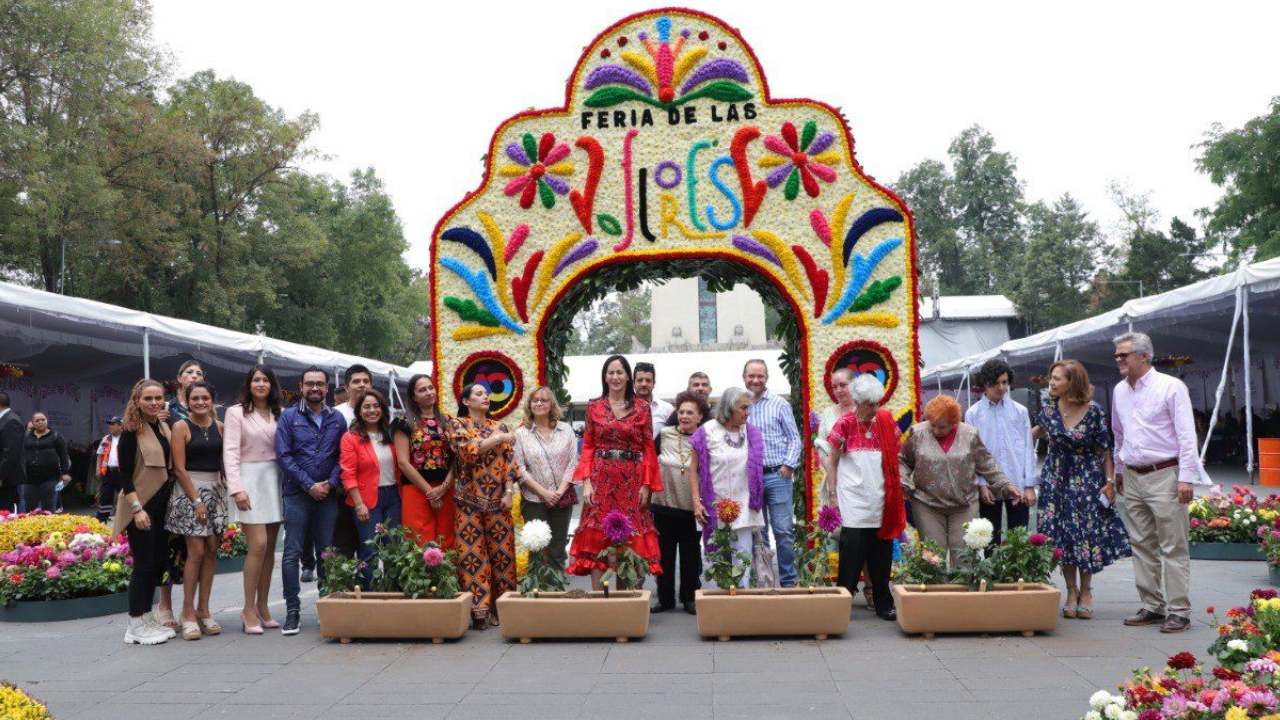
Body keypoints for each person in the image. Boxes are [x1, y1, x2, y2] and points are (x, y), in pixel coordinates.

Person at [1111, 331, 1209, 634]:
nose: (1118, 360)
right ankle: (1152, 605)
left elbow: (1186, 436)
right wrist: (1117, 471)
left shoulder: (1171, 387)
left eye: (1123, 355)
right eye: (1116, 355)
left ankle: (1179, 610)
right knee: (1141, 544)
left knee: (1172, 545)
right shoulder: (1119, 391)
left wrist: (1186, 478)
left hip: (1164, 474)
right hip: (1133, 474)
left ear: (1143, 356)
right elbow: (1119, 434)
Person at [1035, 360, 1131, 620]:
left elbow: (1105, 450)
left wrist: (1110, 483)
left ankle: (1087, 590)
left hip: (1086, 478)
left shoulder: (1094, 411)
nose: (1051, 383)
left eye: (1057, 378)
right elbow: (1028, 436)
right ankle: (1070, 591)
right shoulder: (1048, 410)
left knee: (1085, 534)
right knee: (1062, 537)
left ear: (1072, 382)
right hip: (1055, 480)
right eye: (1051, 378)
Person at [567, 355, 663, 588]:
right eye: (611, 372)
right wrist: (587, 482)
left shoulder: (642, 407)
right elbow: (588, 445)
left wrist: (647, 485)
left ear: (628, 377)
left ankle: (628, 602)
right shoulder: (594, 406)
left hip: (632, 480)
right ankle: (601, 604)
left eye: (620, 372)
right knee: (599, 538)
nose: (615, 377)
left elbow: (648, 447)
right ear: (605, 377)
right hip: (601, 478)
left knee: (631, 538)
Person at [822, 374, 907, 621]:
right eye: (869, 404)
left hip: (881, 494)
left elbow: (895, 456)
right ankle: (842, 602)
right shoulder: (844, 423)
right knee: (852, 550)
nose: (874, 408)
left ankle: (883, 602)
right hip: (853, 495)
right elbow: (832, 459)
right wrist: (833, 493)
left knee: (882, 551)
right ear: (858, 402)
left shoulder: (886, 422)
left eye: (876, 403)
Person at [899, 395, 1020, 560]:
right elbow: (903, 461)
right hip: (927, 504)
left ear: (954, 423)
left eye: (942, 427)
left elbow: (986, 463)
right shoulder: (918, 432)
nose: (935, 430)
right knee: (933, 558)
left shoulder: (969, 434)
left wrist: (1006, 485)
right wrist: (904, 483)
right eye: (932, 425)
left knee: (964, 558)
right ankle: (936, 586)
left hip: (965, 504)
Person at [275, 366, 346, 636]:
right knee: (292, 552)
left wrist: (330, 483)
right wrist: (309, 484)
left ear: (327, 388)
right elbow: (284, 456)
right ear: (301, 386)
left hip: (327, 495)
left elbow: (343, 455)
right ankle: (292, 611)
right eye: (309, 384)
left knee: (326, 552)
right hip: (297, 494)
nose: (315, 388)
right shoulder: (289, 418)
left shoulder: (337, 419)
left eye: (319, 384)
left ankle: (325, 606)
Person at [448, 383, 518, 628]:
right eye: (478, 394)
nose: (485, 396)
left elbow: (511, 462)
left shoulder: (500, 425)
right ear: (466, 401)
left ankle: (505, 608)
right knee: (472, 556)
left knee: (503, 557)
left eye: (486, 393)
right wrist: (498, 438)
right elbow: (468, 451)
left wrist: (509, 491)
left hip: (499, 501)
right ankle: (480, 612)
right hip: (468, 504)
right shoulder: (458, 425)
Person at [116, 379, 178, 645]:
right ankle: (134, 623)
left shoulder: (162, 427)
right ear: (137, 401)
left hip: (162, 506)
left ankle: (146, 616)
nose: (154, 403)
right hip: (141, 506)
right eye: (148, 399)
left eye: (158, 398)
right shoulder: (131, 430)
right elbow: (124, 475)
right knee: (142, 565)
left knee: (156, 564)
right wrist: (136, 509)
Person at [165, 381, 228, 640]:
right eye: (195, 398)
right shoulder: (180, 427)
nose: (200, 402)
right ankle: (187, 613)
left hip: (216, 490)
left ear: (212, 400)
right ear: (187, 401)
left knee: (212, 550)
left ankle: (204, 610)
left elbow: (226, 462)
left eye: (205, 398)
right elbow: (178, 468)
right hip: (189, 491)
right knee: (196, 551)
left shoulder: (221, 427)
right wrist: (196, 500)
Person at [224, 365, 283, 634]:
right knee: (257, 544)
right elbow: (230, 452)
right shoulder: (236, 413)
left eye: (265, 380)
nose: (260, 384)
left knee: (270, 547)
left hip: (274, 480)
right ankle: (247, 608)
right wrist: (237, 488)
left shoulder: (279, 413)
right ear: (248, 384)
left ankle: (263, 605)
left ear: (272, 385)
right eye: (256, 380)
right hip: (248, 481)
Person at [689, 386, 764, 588]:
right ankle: (721, 610)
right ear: (729, 408)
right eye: (743, 408)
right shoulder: (706, 432)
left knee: (743, 563)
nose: (747, 413)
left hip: (744, 506)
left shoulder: (751, 433)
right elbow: (693, 470)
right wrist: (697, 503)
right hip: (716, 508)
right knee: (718, 563)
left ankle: (742, 608)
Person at [815, 368, 873, 608]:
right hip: (834, 483)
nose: (838, 390)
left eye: (843, 385)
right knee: (840, 536)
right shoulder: (828, 414)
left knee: (867, 536)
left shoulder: (866, 411)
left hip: (863, 484)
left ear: (854, 385)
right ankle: (842, 590)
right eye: (835, 386)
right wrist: (832, 485)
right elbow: (822, 450)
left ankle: (871, 589)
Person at [965, 358, 1038, 546]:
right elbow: (973, 454)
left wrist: (1029, 485)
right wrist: (981, 484)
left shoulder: (1020, 411)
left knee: (1019, 541)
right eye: (995, 383)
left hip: (1018, 482)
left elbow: (1028, 450)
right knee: (990, 541)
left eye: (1004, 382)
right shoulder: (973, 414)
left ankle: (1020, 577)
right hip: (989, 485)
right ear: (985, 384)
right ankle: (991, 577)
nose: (1001, 387)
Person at [743, 359, 801, 587]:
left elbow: (794, 438)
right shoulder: (741, 406)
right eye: (751, 376)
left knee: (784, 531)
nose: (755, 380)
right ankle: (765, 581)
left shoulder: (779, 404)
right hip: (752, 478)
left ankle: (788, 581)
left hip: (778, 475)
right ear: (744, 378)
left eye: (760, 376)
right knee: (760, 532)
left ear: (766, 378)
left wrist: (788, 465)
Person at [654, 391, 710, 612]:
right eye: (682, 411)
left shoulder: (705, 437)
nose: (685, 416)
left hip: (691, 506)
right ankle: (665, 599)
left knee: (690, 554)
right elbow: (650, 460)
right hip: (664, 504)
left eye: (690, 413)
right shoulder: (665, 433)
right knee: (664, 554)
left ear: (700, 417)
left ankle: (689, 597)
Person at [340, 388, 402, 587]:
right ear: (359, 411)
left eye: (376, 406)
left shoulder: (392, 435)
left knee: (394, 549)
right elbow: (347, 473)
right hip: (366, 500)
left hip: (393, 497)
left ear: (383, 409)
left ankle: (394, 596)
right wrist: (359, 504)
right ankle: (370, 598)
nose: (372, 410)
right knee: (370, 551)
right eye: (367, 407)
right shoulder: (351, 438)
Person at [513, 386, 578, 567]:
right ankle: (538, 593)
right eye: (535, 400)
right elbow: (519, 469)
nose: (539, 403)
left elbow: (573, 464)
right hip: (533, 499)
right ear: (529, 405)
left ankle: (556, 593)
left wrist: (558, 492)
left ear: (552, 405)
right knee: (538, 550)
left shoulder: (566, 430)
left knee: (557, 550)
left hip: (561, 498)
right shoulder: (520, 434)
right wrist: (544, 493)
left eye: (544, 400)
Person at [324, 364, 375, 577]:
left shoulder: (378, 411)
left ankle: (370, 593)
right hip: (342, 490)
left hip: (372, 489)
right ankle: (341, 598)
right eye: (356, 381)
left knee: (370, 547)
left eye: (365, 381)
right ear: (346, 387)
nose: (361, 385)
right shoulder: (335, 414)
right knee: (343, 546)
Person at [394, 374, 456, 548]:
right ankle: (423, 576)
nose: (429, 392)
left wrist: (444, 487)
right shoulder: (404, 422)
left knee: (447, 536)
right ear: (413, 397)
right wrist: (430, 492)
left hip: (445, 488)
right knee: (419, 538)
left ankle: (446, 575)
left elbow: (457, 458)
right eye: (422, 390)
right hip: (416, 489)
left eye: (431, 387)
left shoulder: (448, 421)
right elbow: (403, 463)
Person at [20, 412, 70, 512]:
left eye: (43, 420)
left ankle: (47, 527)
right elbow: (21, 455)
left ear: (47, 421)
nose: (41, 422)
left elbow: (64, 456)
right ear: (33, 423)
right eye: (37, 421)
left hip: (50, 478)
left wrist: (64, 473)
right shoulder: (26, 437)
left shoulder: (56, 436)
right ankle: (32, 527)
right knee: (30, 508)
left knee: (48, 507)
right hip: (29, 478)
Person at [94, 417, 124, 522]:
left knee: (123, 496)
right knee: (105, 495)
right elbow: (100, 454)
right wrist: (98, 469)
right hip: (108, 472)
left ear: (121, 426)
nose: (110, 426)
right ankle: (102, 518)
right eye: (110, 424)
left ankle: (123, 519)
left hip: (122, 472)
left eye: (113, 424)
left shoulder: (126, 438)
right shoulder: (106, 438)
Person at [634, 362, 674, 439]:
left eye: (648, 380)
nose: (644, 384)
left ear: (654, 383)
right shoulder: (624, 409)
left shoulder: (667, 409)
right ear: (634, 383)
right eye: (640, 380)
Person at [0, 392, 24, 511]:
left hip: (6, 480)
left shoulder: (11, 421)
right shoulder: (4, 419)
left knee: (4, 514)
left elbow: (10, 453)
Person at [166, 360, 206, 426]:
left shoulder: (209, 408)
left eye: (199, 374)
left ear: (203, 380)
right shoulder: (167, 407)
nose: (195, 376)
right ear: (179, 378)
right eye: (189, 372)